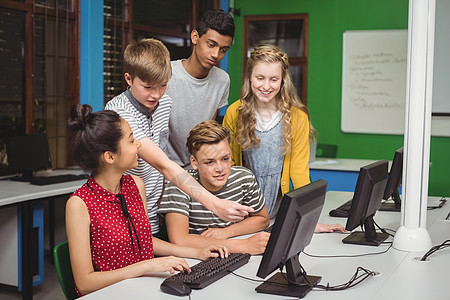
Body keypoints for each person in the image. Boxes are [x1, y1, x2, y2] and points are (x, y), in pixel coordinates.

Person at [65, 104, 228, 296]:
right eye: (132, 140)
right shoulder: (79, 204)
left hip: (143, 288)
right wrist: (146, 266)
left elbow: (144, 241)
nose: (139, 145)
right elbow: (84, 283)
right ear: (110, 156)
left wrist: (198, 252)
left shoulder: (135, 184)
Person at [105, 38, 252, 238]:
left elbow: (162, 147)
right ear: (129, 79)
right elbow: (163, 164)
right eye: (148, 87)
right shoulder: (119, 113)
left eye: (163, 85)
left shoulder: (164, 102)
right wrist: (214, 204)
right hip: (124, 210)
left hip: (155, 207)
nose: (156, 95)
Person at [223, 44, 344, 233]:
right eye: (260, 78)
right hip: (244, 216)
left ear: (283, 81)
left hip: (281, 215)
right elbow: (229, 167)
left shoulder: (297, 117)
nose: (266, 86)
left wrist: (309, 221)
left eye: (274, 79)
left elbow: (300, 172)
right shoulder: (234, 112)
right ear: (249, 77)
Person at [158, 120, 271, 255]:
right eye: (210, 162)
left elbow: (263, 219)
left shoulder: (244, 178)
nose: (220, 168)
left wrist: (227, 232)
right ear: (194, 162)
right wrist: (242, 245)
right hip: (196, 258)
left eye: (225, 158)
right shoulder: (179, 184)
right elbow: (179, 239)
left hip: (232, 252)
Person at [165, 8, 234, 169]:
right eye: (211, 45)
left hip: (201, 170)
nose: (216, 54)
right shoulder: (166, 74)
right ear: (195, 37)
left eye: (223, 50)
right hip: (164, 171)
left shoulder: (222, 80)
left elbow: (208, 131)